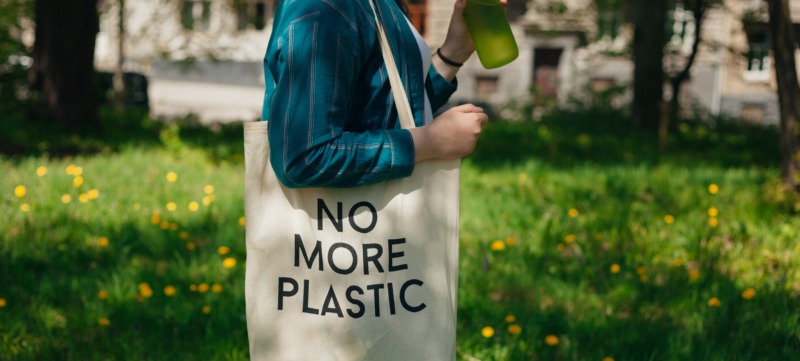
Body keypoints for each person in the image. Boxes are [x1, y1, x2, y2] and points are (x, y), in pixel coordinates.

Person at [262, 0, 496, 188]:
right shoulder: (325, 8)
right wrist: (429, 142)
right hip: (347, 236)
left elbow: (390, 103)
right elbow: (303, 157)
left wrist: (455, 50)